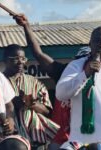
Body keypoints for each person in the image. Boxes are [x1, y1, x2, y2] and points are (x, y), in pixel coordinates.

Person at [12, 14, 91, 149]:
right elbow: (38, 54)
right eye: (79, 60)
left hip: (85, 138)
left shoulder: (100, 79)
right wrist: (26, 26)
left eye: (86, 61)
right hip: (59, 138)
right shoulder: (64, 72)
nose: (81, 65)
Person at [3, 44, 60, 149]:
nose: (21, 62)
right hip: (10, 140)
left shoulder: (35, 82)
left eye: (23, 58)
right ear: (5, 60)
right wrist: (12, 102)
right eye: (16, 59)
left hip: (36, 137)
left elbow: (48, 111)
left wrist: (33, 104)